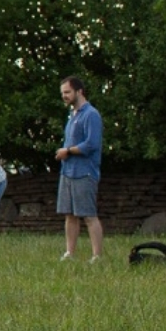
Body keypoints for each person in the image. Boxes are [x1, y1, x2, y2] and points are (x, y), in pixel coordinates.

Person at [56, 77, 104, 260]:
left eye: (67, 92)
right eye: (62, 93)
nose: (64, 96)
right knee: (69, 215)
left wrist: (67, 151)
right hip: (67, 171)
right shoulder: (72, 115)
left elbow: (91, 144)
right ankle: (70, 252)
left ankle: (97, 256)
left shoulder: (91, 114)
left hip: (84, 172)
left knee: (89, 216)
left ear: (79, 91)